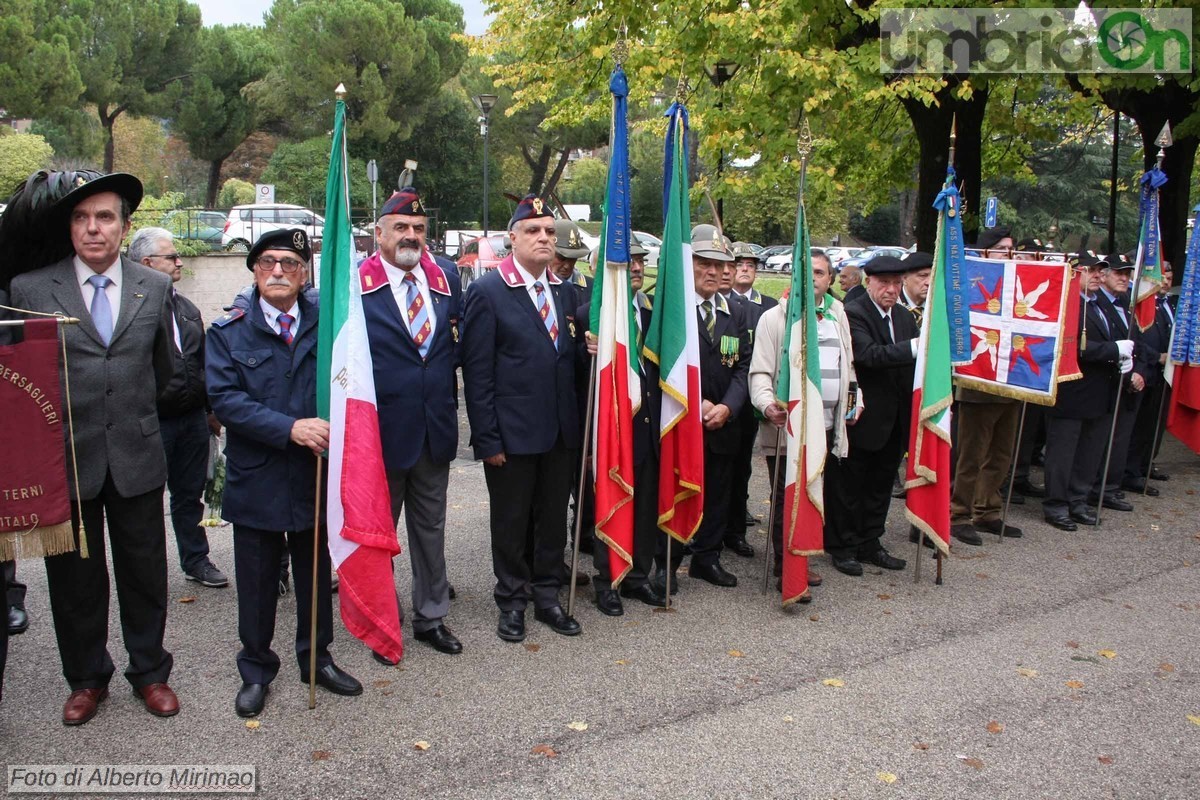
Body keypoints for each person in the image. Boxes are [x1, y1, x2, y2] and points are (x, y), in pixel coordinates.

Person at [9, 171, 180, 725]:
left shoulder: (152, 287)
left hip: (137, 455)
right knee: (75, 583)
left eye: (104, 217)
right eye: (82, 218)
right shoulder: (31, 290)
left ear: (124, 226)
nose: (93, 228)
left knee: (145, 573)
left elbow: (163, 371)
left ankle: (151, 673)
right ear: (70, 226)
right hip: (68, 461)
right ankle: (86, 679)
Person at [206, 228, 362, 718]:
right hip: (259, 477)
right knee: (255, 583)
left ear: (303, 273)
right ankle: (255, 670)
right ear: (253, 270)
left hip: (315, 475)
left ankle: (317, 659)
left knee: (315, 576)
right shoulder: (228, 331)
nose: (278, 271)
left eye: (290, 263)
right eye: (268, 262)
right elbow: (226, 400)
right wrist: (289, 428)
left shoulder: (328, 323)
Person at [462, 195, 583, 642]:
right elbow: (477, 374)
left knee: (552, 520)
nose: (544, 238)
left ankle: (547, 596)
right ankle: (512, 600)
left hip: (559, 434)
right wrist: (487, 439)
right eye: (533, 231)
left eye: (550, 232)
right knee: (511, 523)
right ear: (512, 238)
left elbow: (566, 365)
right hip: (511, 436)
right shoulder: (488, 292)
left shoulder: (565, 291)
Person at [358, 188, 462, 659]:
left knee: (430, 530)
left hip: (433, 430)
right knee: (379, 534)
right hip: (379, 434)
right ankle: (380, 618)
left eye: (418, 229)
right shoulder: (355, 288)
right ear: (379, 233)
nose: (411, 236)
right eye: (400, 227)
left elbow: (453, 350)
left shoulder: (446, 280)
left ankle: (431, 615)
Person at [128, 227, 229, 589]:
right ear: (146, 263)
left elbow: (201, 362)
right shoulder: (131, 307)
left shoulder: (185, 307)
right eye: (171, 257)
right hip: (151, 421)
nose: (179, 261)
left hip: (191, 420)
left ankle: (196, 560)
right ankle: (145, 572)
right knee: (144, 501)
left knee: (189, 495)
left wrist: (211, 410)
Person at [750, 251, 856, 591]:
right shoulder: (774, 318)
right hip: (787, 429)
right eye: (806, 272)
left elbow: (848, 367)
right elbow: (760, 374)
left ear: (830, 280)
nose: (813, 278)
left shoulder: (838, 316)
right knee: (786, 498)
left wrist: (854, 400)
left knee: (813, 494)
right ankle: (788, 570)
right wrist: (768, 406)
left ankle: (804, 556)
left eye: (821, 273)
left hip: (826, 427)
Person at [655, 224, 751, 592]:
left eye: (719, 263)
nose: (713, 271)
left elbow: (743, 365)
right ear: (687, 263)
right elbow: (663, 368)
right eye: (703, 262)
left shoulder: (736, 311)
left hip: (723, 423)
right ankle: (668, 561)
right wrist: (695, 405)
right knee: (677, 490)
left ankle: (707, 558)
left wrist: (728, 406)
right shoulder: (672, 313)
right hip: (682, 420)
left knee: (719, 492)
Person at [580, 242, 667, 614]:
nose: (636, 266)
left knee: (645, 503)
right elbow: (577, 379)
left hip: (645, 425)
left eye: (641, 261)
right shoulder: (590, 315)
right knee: (611, 501)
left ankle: (637, 576)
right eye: (627, 260)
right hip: (611, 430)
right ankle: (607, 580)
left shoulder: (648, 315)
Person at [835, 254, 917, 576]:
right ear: (869, 282)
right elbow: (868, 355)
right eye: (884, 283)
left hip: (894, 420)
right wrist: (915, 347)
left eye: (897, 284)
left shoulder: (904, 317)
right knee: (850, 485)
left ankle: (871, 541)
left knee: (881, 485)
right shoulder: (854, 313)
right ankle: (843, 546)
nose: (891, 290)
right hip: (863, 416)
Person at [1041, 254, 1130, 531]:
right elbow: (1072, 345)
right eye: (1088, 270)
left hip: (1101, 390)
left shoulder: (1100, 303)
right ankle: (1056, 504)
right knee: (1063, 452)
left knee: (1090, 451)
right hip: (1073, 390)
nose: (1096, 275)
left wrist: (1123, 353)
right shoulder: (1066, 304)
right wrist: (1113, 350)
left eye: (1099, 270)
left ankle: (1078, 500)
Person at [724, 242, 779, 556]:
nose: (743, 269)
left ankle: (736, 524)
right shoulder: (722, 303)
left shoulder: (769, 306)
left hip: (750, 401)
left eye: (749, 264)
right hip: (722, 396)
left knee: (742, 464)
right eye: (738, 264)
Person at [1087, 255, 1147, 513]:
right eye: (1118, 273)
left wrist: (1140, 370)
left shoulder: (1128, 303)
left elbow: (1139, 343)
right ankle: (1095, 488)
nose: (1124, 278)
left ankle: (1109, 487)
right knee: (1098, 440)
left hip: (1129, 379)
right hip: (1105, 379)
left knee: (1119, 437)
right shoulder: (1095, 301)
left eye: (1127, 274)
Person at [1124, 261, 1174, 490]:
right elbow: (1138, 339)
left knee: (1152, 424)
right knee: (1136, 425)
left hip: (1163, 373)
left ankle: (1144, 463)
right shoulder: (1139, 300)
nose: (1165, 280)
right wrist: (1156, 357)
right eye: (1161, 275)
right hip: (1145, 368)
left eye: (1169, 276)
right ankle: (1130, 471)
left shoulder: (1167, 304)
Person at [551, 219, 593, 305]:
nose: (567, 266)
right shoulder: (536, 287)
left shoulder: (593, 289)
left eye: (573, 258)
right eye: (561, 258)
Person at [899, 251, 933, 326]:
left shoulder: (939, 307)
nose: (929, 283)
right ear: (904, 279)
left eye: (933, 276)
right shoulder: (891, 305)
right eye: (923, 275)